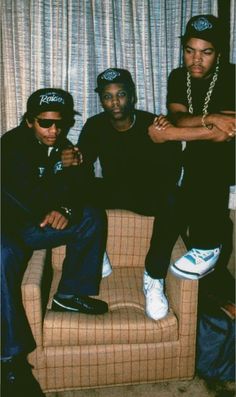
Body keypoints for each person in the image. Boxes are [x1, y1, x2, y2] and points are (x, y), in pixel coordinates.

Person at [1, 88, 109, 397]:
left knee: (91, 217)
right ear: (29, 121)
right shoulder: (11, 145)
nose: (54, 130)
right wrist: (53, 206)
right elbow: (18, 195)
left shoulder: (62, 144)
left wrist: (74, 173)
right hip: (7, 227)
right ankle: (11, 361)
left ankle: (70, 294)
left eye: (60, 124)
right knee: (2, 255)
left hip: (36, 226)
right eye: (45, 124)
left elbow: (79, 190)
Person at [63, 68, 182, 322]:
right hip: (114, 190)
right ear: (101, 99)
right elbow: (83, 165)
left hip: (147, 194)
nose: (115, 102)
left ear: (132, 96)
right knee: (71, 179)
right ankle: (97, 252)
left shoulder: (153, 124)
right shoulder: (95, 125)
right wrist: (73, 160)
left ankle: (153, 276)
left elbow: (173, 170)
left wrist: (165, 140)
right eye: (108, 96)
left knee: (175, 198)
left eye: (121, 95)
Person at [148, 15, 235, 286]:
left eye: (206, 52)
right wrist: (211, 118)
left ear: (218, 53)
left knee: (210, 155)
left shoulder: (232, 76)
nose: (196, 60)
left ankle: (209, 246)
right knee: (179, 195)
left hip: (229, 160)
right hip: (199, 164)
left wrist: (168, 135)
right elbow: (178, 117)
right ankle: (160, 275)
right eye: (190, 51)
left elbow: (225, 132)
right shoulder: (178, 77)